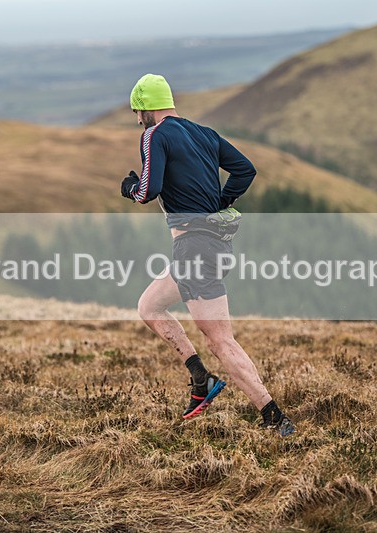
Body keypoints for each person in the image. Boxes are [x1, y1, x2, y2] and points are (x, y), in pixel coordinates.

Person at [120, 73, 295, 436]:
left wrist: (130, 188)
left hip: (195, 248)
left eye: (138, 112)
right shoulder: (204, 133)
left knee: (220, 340)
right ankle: (200, 378)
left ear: (146, 108)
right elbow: (245, 170)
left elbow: (148, 190)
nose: (138, 120)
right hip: (212, 245)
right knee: (149, 306)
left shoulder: (154, 135)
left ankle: (274, 417)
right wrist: (219, 202)